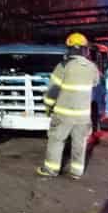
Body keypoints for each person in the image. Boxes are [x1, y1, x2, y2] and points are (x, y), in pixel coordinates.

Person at [37, 32, 99, 180]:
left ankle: (51, 170)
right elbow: (95, 83)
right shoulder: (92, 67)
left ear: (69, 49)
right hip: (83, 117)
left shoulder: (63, 66)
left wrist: (48, 106)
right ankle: (76, 172)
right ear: (85, 50)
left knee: (57, 141)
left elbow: (53, 90)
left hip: (63, 115)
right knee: (80, 144)